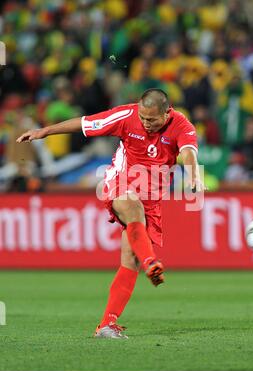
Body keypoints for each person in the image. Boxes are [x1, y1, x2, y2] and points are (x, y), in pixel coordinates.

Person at [17, 89, 202, 339]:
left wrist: (193, 175)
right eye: (143, 118)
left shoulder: (181, 124)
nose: (146, 124)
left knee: (129, 261)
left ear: (167, 113)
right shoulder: (125, 116)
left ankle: (106, 325)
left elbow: (189, 151)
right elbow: (84, 123)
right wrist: (44, 131)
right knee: (133, 210)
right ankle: (150, 261)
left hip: (151, 197)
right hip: (121, 182)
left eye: (152, 120)